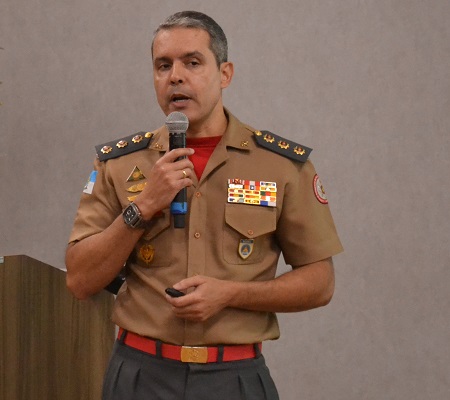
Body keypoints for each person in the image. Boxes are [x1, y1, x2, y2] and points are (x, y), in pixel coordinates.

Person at [66, 10, 343, 400]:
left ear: (225, 74)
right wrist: (142, 207)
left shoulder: (279, 166)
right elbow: (80, 280)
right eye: (163, 66)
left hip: (233, 378)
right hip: (140, 377)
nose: (175, 76)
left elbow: (320, 282)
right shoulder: (119, 164)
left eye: (192, 63)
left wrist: (231, 294)